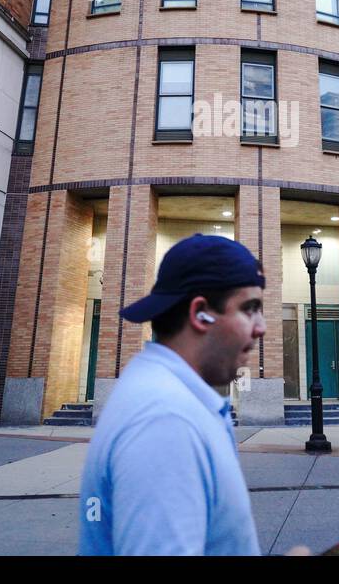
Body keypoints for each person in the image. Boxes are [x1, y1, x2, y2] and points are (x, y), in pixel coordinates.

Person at [77, 233, 267, 556]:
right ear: (200, 314)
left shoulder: (164, 396)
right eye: (249, 309)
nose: (261, 327)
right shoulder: (166, 421)